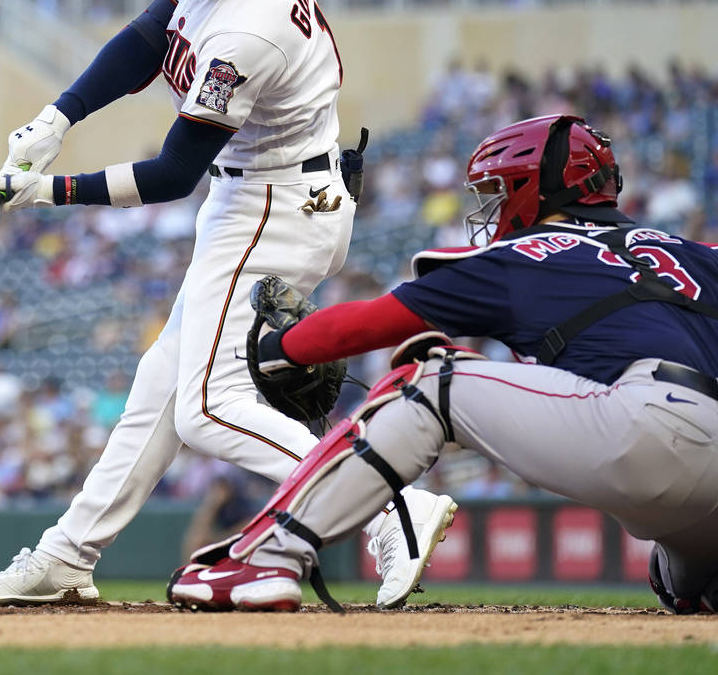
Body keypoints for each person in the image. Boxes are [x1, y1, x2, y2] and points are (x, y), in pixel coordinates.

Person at [0, 0, 455, 608]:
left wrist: (48, 192)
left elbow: (170, 175)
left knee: (206, 407)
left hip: (273, 205)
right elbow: (149, 33)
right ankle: (68, 555)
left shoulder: (247, 33)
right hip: (272, 192)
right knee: (159, 391)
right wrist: (59, 115)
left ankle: (394, 506)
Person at [169, 114, 718, 613]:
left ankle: (269, 556)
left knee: (429, 382)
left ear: (531, 187)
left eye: (494, 192)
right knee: (680, 578)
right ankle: (695, 579)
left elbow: (365, 325)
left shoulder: (521, 256)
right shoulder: (697, 253)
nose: (489, 207)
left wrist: (277, 349)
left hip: (651, 432)